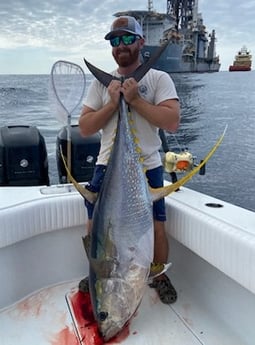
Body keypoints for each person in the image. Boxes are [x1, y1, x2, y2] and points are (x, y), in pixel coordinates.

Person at [78, 16, 180, 304]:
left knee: (156, 226)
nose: (120, 45)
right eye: (115, 40)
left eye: (126, 38)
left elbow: (172, 121)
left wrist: (134, 100)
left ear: (140, 42)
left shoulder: (158, 78)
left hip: (147, 165)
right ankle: (98, 271)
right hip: (106, 164)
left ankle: (159, 274)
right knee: (95, 225)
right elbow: (85, 127)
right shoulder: (102, 86)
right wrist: (113, 103)